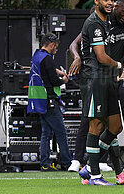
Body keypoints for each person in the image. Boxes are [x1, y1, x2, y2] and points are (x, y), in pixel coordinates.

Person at [68, 0, 124, 185]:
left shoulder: (117, 21)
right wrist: (78, 57)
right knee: (96, 125)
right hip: (95, 79)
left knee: (115, 127)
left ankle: (91, 167)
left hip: (109, 80)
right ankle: (97, 173)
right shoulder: (96, 22)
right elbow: (77, 44)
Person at [27, 33, 72, 171]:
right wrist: (64, 80)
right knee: (61, 132)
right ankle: (68, 163)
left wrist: (57, 72)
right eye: (56, 48)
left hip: (39, 101)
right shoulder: (48, 59)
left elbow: (47, 70)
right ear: (51, 45)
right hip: (49, 100)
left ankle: (45, 164)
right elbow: (53, 81)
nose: (56, 50)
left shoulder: (37, 56)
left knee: (46, 133)